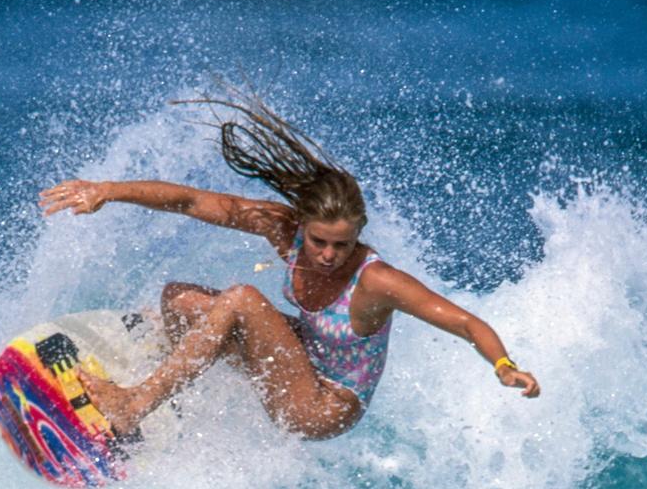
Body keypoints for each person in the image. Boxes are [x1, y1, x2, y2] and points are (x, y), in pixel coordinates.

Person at [38, 93, 539, 440]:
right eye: (320, 241)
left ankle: (135, 404)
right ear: (304, 225)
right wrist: (107, 191)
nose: (327, 255)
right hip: (295, 362)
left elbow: (466, 322)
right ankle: (178, 394)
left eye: (341, 245)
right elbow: (192, 201)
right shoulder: (285, 228)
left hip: (323, 407)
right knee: (180, 298)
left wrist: (505, 367)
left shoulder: (377, 282)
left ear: (359, 232)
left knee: (241, 300)